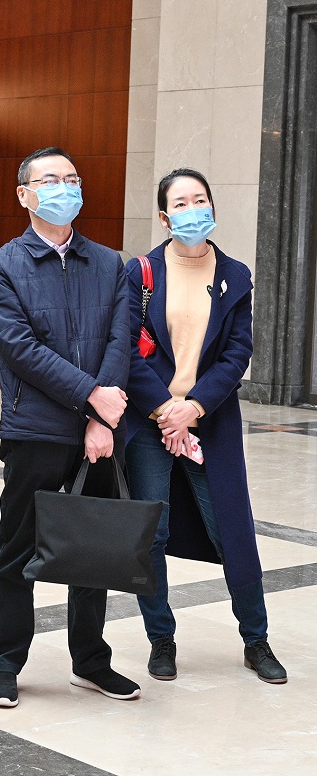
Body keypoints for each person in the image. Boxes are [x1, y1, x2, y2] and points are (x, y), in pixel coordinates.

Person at [0, 146, 138, 709]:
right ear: (24, 194)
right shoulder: (1, 266)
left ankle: (90, 661)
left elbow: (120, 340)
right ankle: (3, 663)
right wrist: (92, 397)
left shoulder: (111, 263)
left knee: (92, 549)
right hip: (36, 429)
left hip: (100, 431)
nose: (64, 188)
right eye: (50, 180)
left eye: (72, 178)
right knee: (17, 549)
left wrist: (100, 416)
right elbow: (19, 349)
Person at [123, 167, 287, 684]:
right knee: (151, 532)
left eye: (200, 199)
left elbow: (237, 353)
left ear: (212, 206)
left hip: (209, 422)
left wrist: (192, 408)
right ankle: (161, 639)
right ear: (164, 216)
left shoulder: (235, 275)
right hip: (150, 424)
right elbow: (126, 349)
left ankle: (256, 640)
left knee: (231, 529)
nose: (192, 210)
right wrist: (164, 411)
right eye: (181, 203)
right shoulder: (141, 273)